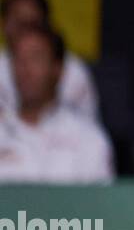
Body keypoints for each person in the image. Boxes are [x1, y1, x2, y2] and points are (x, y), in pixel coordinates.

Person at [0, 24, 113, 184]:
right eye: (19, 59)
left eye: (36, 58)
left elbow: (100, 206)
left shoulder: (89, 139)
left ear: (57, 68)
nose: (25, 69)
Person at [0, 0, 99, 119]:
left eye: (32, 22)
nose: (24, 29)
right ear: (4, 25)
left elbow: (87, 127)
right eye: (18, 21)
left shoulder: (72, 70)